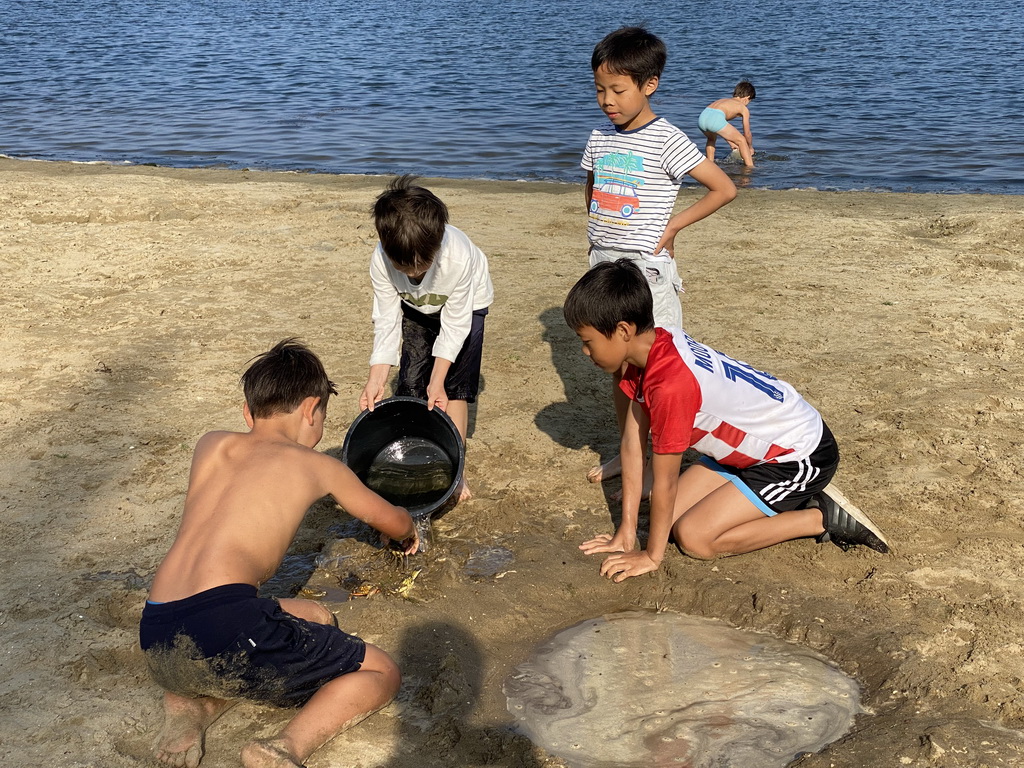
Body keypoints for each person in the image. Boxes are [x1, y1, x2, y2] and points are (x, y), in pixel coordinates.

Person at [140, 339, 418, 768]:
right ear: (311, 409)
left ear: (248, 413)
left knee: (316, 616)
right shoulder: (318, 466)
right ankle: (282, 748)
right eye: (322, 413)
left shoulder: (210, 444)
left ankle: (192, 704)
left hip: (158, 632)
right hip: (227, 628)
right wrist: (408, 528)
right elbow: (392, 521)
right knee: (381, 671)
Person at [563, 260, 889, 583]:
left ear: (623, 331)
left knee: (694, 538)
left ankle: (820, 517)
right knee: (671, 519)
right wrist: (626, 532)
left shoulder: (671, 385)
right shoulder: (654, 343)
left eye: (588, 341)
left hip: (798, 456)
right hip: (749, 450)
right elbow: (632, 444)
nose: (584, 351)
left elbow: (666, 481)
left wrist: (651, 556)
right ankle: (767, 498)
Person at [582, 26, 738, 490]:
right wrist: (594, 234)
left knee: (657, 369)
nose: (607, 100)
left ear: (649, 85)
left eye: (617, 90)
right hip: (604, 266)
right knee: (619, 366)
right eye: (599, 90)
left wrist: (673, 226)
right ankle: (628, 451)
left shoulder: (667, 138)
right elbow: (591, 187)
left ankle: (659, 459)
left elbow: (723, 188)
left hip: (647, 273)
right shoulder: (599, 137)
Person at [361, 175, 493, 502]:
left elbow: (456, 323)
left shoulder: (458, 257)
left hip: (467, 306)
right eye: (404, 268)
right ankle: (414, 456)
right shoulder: (381, 260)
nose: (414, 275)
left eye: (423, 267)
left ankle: (456, 472)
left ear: (438, 242)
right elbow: (387, 319)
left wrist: (438, 380)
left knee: (453, 390)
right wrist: (377, 378)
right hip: (417, 308)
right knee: (409, 380)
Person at [698, 81, 756, 167]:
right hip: (715, 119)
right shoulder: (743, 108)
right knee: (742, 140)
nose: (748, 104)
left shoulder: (724, 101)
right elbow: (747, 133)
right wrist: (750, 147)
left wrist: (731, 142)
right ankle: (750, 168)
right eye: (749, 101)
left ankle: (710, 165)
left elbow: (720, 126)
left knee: (711, 139)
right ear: (747, 97)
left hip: (702, 118)